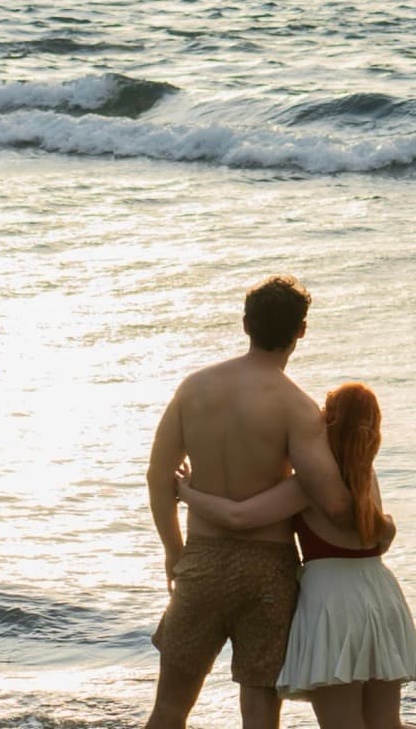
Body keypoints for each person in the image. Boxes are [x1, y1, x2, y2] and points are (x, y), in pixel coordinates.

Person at [145, 275, 357, 729]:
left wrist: (173, 550)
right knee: (260, 715)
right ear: (301, 331)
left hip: (201, 560)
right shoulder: (297, 407)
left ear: (245, 324)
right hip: (268, 569)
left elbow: (158, 477)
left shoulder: (194, 388)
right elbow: (333, 502)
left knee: (168, 709)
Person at [178, 381, 416, 729]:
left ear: (327, 422)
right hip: (380, 596)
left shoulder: (310, 484)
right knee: (386, 723)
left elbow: (239, 516)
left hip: (332, 606)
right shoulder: (367, 476)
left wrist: (186, 493)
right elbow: (380, 542)